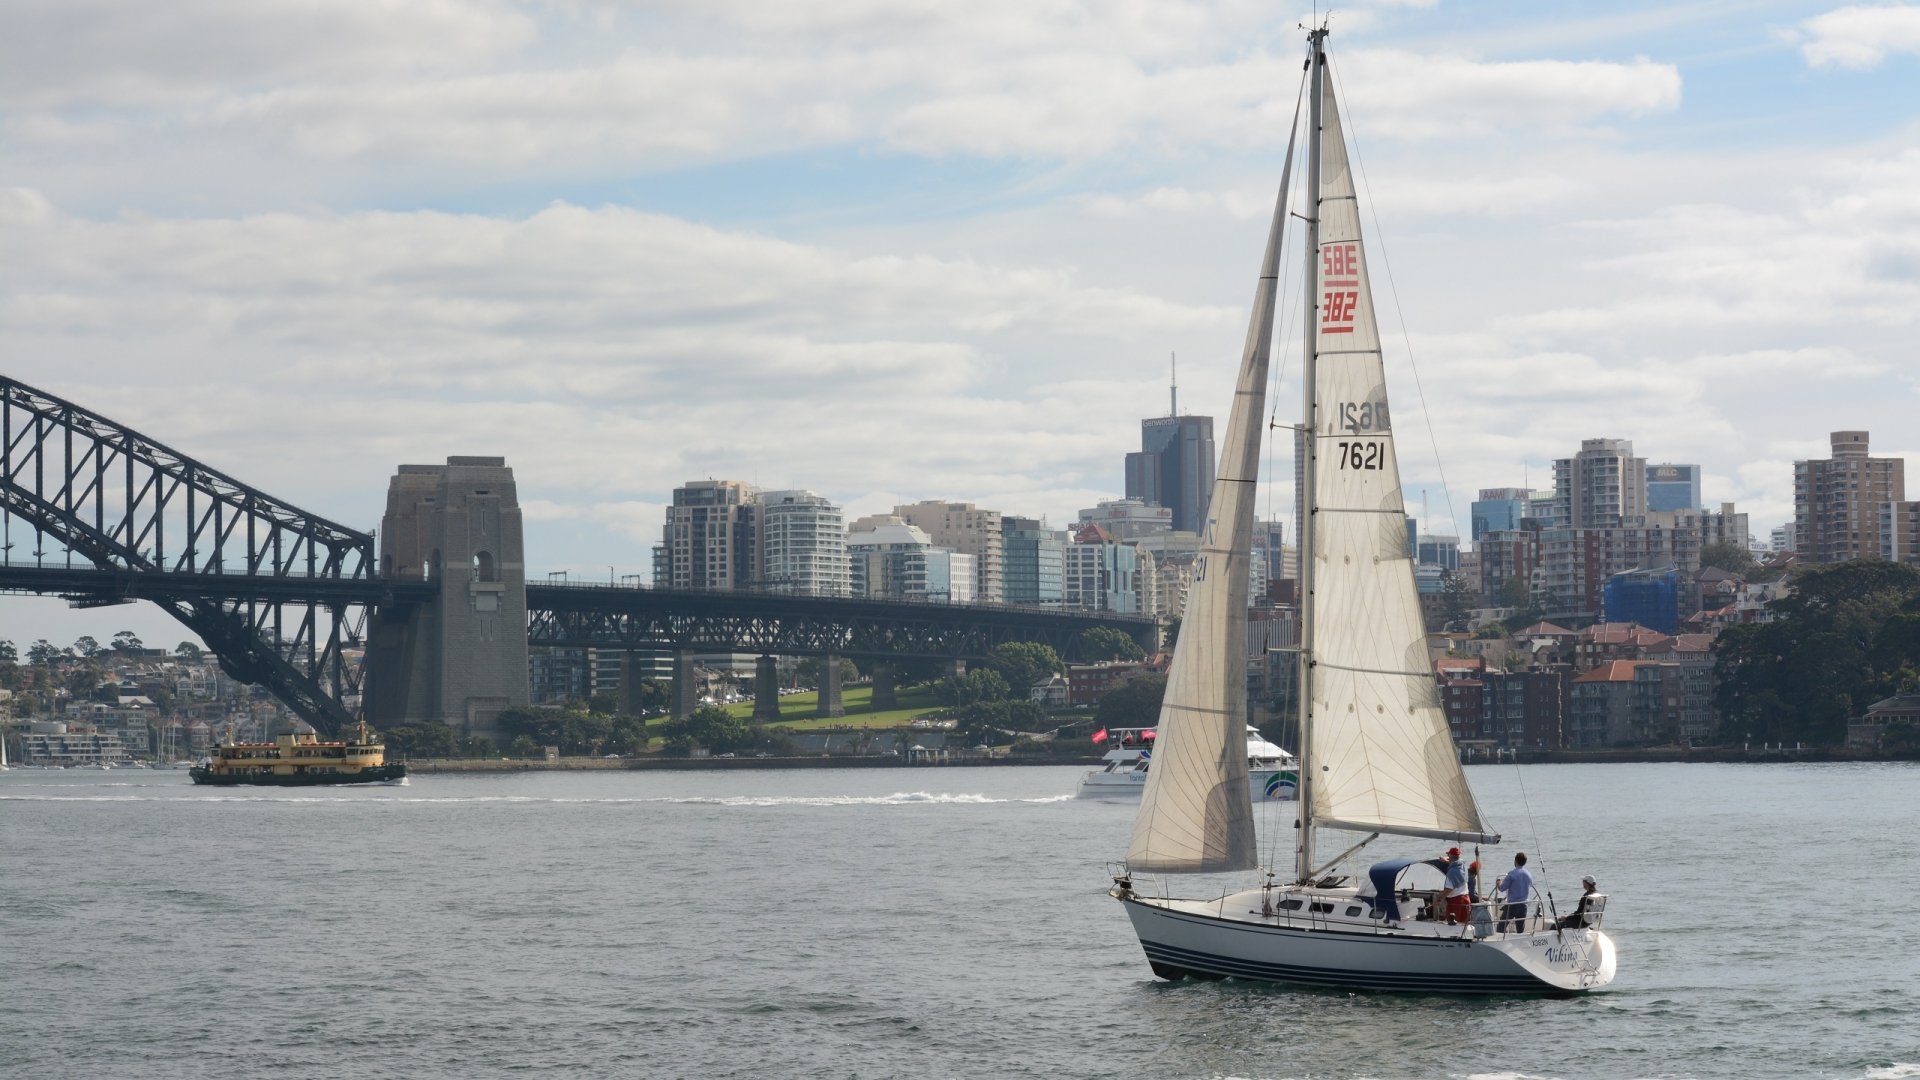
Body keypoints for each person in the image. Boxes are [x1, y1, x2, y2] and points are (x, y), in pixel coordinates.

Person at [1496, 852, 1534, 933]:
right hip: (1524, 905)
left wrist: (1498, 883)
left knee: (1500, 928)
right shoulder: (1529, 875)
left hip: (1512, 905)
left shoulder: (1512, 874)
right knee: (1520, 930)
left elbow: (1502, 888)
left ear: (1515, 861)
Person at [1441, 847, 1471, 925]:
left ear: (1450, 857)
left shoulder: (1452, 872)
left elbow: (1449, 889)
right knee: (1464, 924)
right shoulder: (1463, 866)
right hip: (1466, 899)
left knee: (1452, 924)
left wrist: (1439, 899)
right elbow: (1455, 862)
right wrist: (1447, 859)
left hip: (1455, 901)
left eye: (1448, 855)